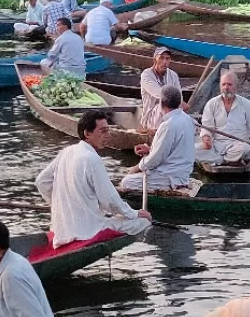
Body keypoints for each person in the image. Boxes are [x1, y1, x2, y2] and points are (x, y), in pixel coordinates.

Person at [36, 110, 151, 248]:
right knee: (144, 222)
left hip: (62, 230)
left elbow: (41, 182)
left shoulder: (66, 151)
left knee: (118, 214)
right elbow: (110, 201)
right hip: (88, 231)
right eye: (102, 131)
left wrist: (59, 205)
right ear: (87, 133)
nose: (107, 136)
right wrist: (135, 213)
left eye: (108, 131)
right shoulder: (92, 158)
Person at [121, 84, 194, 191]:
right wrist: (150, 149)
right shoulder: (187, 119)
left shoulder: (168, 125)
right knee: (135, 174)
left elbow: (155, 159)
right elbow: (172, 150)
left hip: (170, 177)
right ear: (179, 103)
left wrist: (137, 167)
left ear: (161, 103)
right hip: (181, 174)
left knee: (126, 182)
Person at [196, 68, 250, 166]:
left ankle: (220, 160)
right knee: (192, 150)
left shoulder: (246, 104)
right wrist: (206, 138)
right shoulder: (211, 104)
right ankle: (229, 160)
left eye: (229, 84)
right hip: (217, 146)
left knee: (244, 149)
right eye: (223, 84)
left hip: (238, 145)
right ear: (220, 86)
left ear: (236, 86)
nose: (226, 87)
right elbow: (206, 127)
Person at [139, 48, 182, 129]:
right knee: (164, 104)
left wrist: (181, 103)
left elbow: (179, 96)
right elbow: (159, 94)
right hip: (151, 117)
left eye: (167, 58)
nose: (164, 62)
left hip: (170, 115)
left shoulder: (173, 75)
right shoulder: (146, 75)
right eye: (161, 58)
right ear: (155, 60)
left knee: (178, 108)